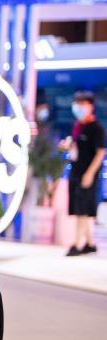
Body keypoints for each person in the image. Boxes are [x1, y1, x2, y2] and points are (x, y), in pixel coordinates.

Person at [62, 91, 105, 256]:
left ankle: (77, 244)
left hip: (87, 174)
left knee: (83, 209)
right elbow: (76, 148)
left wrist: (90, 174)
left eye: (82, 104)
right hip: (75, 171)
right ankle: (89, 244)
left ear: (90, 106)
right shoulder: (78, 126)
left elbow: (100, 153)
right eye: (77, 104)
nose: (78, 107)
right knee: (80, 208)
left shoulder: (96, 128)